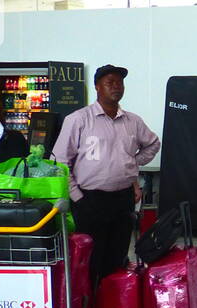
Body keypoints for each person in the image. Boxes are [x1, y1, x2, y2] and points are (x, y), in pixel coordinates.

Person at [52, 64, 160, 284]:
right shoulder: (78, 119)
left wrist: (131, 164)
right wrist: (77, 197)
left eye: (119, 82)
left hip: (123, 199)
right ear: (97, 87)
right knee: (91, 259)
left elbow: (153, 144)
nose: (116, 86)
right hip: (89, 199)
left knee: (117, 256)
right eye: (109, 82)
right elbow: (60, 161)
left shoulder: (132, 121)